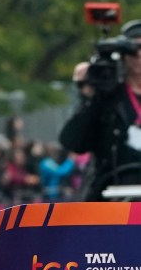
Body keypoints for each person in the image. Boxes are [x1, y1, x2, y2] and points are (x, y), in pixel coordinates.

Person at [59, 19, 141, 201]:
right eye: (133, 50)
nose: (139, 56)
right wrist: (90, 97)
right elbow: (74, 142)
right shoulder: (110, 96)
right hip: (112, 192)